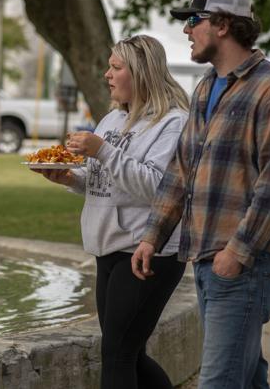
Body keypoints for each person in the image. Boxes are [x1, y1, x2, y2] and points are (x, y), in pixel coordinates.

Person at [131, 0, 270, 389]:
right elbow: (180, 171)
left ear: (223, 25)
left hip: (244, 263)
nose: (187, 31)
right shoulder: (206, 87)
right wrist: (151, 237)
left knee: (219, 381)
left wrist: (237, 253)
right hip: (209, 259)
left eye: (194, 20)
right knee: (246, 377)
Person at [37, 35, 190, 389]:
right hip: (108, 248)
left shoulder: (174, 123)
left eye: (116, 67)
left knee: (118, 354)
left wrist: (102, 151)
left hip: (147, 249)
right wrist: (69, 179)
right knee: (128, 353)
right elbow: (104, 182)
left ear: (141, 73)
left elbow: (160, 189)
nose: (107, 74)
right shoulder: (111, 119)